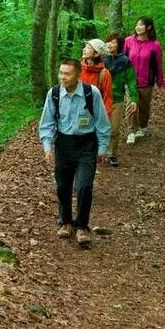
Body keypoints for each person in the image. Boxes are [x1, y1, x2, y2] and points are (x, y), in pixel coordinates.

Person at [39, 59, 112, 247]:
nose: (62, 77)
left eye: (67, 74)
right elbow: (47, 122)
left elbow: (103, 123)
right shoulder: (54, 94)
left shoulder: (91, 93)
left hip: (87, 144)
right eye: (61, 73)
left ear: (78, 75)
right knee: (62, 186)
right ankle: (65, 222)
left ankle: (81, 226)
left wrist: (102, 148)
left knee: (84, 186)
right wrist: (47, 147)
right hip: (64, 144)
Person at [124, 17, 164, 144]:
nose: (138, 27)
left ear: (149, 27)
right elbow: (123, 59)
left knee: (144, 106)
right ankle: (131, 131)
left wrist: (160, 82)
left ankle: (143, 127)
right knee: (131, 104)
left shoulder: (155, 45)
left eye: (141, 25)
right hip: (131, 81)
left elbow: (158, 65)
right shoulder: (128, 41)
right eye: (137, 25)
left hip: (147, 82)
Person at [102, 33, 139, 167]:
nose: (110, 44)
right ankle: (98, 152)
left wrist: (133, 98)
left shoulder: (125, 61)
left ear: (119, 45)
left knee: (114, 129)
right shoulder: (101, 59)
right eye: (108, 41)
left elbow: (131, 80)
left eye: (113, 42)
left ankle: (112, 154)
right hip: (100, 99)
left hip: (117, 100)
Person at [80, 39, 113, 116]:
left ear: (96, 53)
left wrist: (106, 118)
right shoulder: (78, 69)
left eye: (88, 48)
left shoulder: (104, 73)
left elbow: (107, 99)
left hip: (96, 114)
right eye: (85, 47)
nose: (84, 49)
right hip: (78, 112)